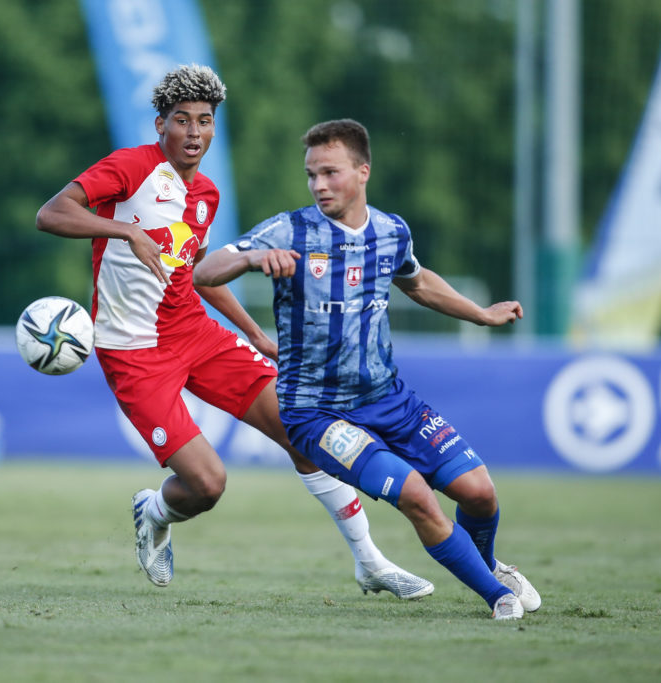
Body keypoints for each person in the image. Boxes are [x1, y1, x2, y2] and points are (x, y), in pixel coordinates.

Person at [35, 66, 432, 599]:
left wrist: (256, 333)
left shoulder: (206, 195)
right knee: (207, 485)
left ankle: (370, 562)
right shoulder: (130, 167)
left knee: (299, 431)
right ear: (161, 125)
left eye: (205, 120)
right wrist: (125, 229)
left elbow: (197, 275)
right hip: (132, 352)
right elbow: (51, 213)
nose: (195, 132)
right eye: (182, 120)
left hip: (194, 333)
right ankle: (153, 512)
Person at [193, 118, 542, 620]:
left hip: (389, 400)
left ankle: (487, 568)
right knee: (418, 497)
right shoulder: (288, 230)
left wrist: (481, 313)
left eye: (330, 173)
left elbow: (418, 284)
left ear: (362, 172)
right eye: (312, 175)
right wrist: (254, 259)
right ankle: (497, 597)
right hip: (316, 413)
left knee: (480, 493)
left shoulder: (390, 231)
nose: (318, 185)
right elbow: (204, 273)